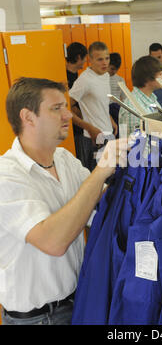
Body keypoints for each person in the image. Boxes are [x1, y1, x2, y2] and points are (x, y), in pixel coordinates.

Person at [0, 77, 128, 325]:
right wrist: (101, 170)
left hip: (78, 300)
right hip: (39, 318)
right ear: (28, 117)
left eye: (66, 107)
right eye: (56, 108)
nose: (68, 115)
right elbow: (53, 241)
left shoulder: (64, 159)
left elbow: (99, 202)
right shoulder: (6, 176)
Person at [69, 41, 118, 171]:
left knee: (111, 177)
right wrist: (89, 127)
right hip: (93, 138)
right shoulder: (84, 80)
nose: (105, 63)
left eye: (107, 58)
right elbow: (66, 108)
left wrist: (111, 120)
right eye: (100, 59)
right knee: (97, 180)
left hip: (108, 133)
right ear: (90, 60)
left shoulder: (106, 75)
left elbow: (100, 103)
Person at [118, 55, 162, 138]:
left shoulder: (152, 99)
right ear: (148, 78)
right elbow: (135, 147)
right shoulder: (132, 108)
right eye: (160, 74)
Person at [65, 42, 88, 166]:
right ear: (78, 57)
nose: (85, 61)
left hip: (80, 124)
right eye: (84, 58)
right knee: (80, 159)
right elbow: (69, 104)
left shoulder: (76, 75)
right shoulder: (65, 76)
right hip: (74, 126)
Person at [108, 52, 126, 135]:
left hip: (116, 109)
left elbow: (125, 98)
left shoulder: (120, 79)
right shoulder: (102, 79)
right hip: (106, 110)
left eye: (116, 69)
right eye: (112, 68)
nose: (114, 71)